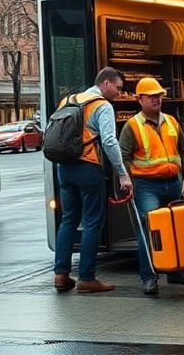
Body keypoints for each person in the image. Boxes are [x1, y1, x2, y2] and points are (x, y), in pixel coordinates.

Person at [117, 77, 184, 296]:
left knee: (176, 227)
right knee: (149, 230)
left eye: (159, 96)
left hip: (173, 181)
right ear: (140, 99)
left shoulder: (172, 122)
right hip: (146, 185)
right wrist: (128, 181)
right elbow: (123, 156)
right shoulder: (132, 126)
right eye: (152, 96)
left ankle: (175, 271)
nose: (157, 99)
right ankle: (149, 277)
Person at [54, 67, 130, 294]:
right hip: (88, 167)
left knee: (68, 220)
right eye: (117, 88)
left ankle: (61, 275)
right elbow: (108, 141)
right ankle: (87, 278)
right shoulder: (102, 106)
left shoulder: (68, 100)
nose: (119, 93)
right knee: (92, 222)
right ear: (105, 83)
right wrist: (122, 172)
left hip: (64, 168)